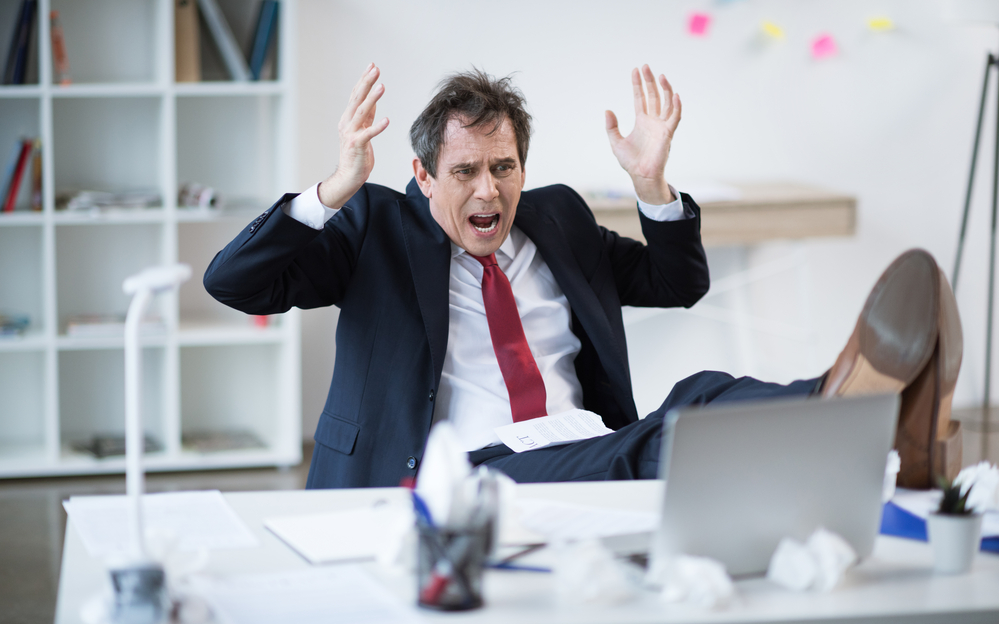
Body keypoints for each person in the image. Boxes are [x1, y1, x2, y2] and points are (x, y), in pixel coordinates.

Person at [204, 64, 961, 489]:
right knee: (662, 444)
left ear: (523, 168)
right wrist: (332, 188)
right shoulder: (376, 229)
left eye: (503, 168)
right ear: (422, 176)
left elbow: (677, 283)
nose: (487, 192)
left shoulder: (556, 218)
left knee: (696, 390)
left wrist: (652, 187)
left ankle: (851, 401)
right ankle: (857, 421)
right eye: (463, 171)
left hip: (582, 441)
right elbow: (235, 281)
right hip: (471, 471)